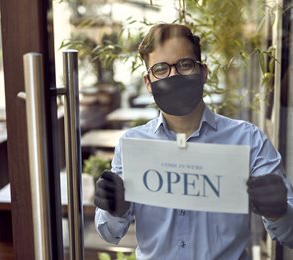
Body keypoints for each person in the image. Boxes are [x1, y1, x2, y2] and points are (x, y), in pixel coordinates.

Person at [94, 23, 293, 259]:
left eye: (185, 64)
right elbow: (109, 233)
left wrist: (278, 211)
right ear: (148, 82)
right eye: (160, 68)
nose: (174, 75)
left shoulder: (248, 140)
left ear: (203, 72)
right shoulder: (132, 145)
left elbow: (290, 235)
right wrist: (114, 209)